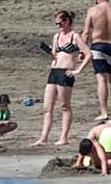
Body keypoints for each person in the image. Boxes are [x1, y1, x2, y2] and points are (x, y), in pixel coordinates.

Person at [34, 10, 83, 147]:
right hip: (54, 70)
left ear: (67, 21)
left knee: (64, 106)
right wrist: (49, 52)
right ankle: (43, 138)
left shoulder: (75, 36)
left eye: (60, 23)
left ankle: (64, 137)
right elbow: (54, 55)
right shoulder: (56, 37)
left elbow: (88, 53)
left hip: (66, 72)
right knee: (47, 107)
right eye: (57, 24)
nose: (59, 26)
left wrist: (78, 70)